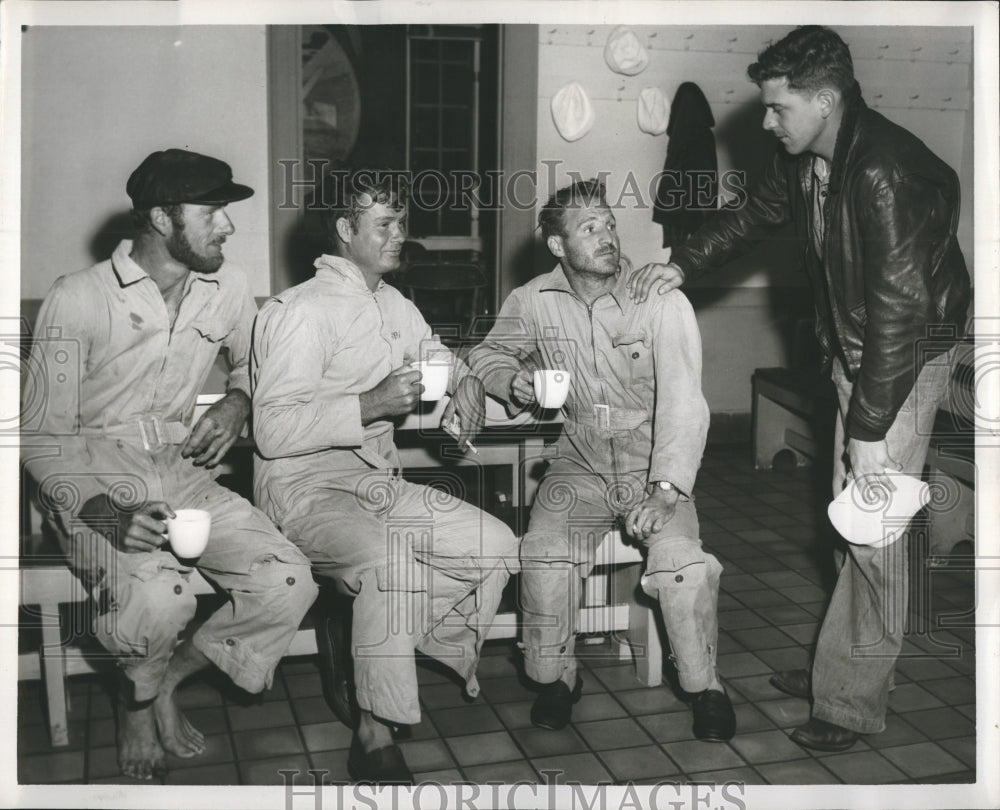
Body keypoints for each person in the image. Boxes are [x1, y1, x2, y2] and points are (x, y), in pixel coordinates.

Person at [628, 26, 971, 751]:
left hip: (902, 358)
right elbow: (755, 215)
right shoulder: (809, 159)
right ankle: (842, 666)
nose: (765, 122)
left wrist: (870, 431)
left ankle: (849, 700)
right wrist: (684, 262)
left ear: (825, 100)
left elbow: (901, 314)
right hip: (863, 349)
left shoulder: (886, 172)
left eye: (777, 107)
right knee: (851, 521)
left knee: (874, 533)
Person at [20, 149, 319, 779]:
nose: (228, 226)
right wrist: (102, 513)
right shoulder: (79, 298)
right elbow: (41, 437)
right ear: (161, 218)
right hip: (95, 477)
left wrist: (238, 400)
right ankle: (136, 703)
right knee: (160, 598)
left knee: (288, 580)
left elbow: (255, 364)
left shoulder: (228, 286)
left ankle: (163, 681)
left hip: (183, 470)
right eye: (212, 212)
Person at [250, 168, 519, 783]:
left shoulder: (393, 304)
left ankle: (366, 646)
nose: (401, 234)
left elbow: (439, 358)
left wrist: (468, 380)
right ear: (345, 230)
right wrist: (369, 405)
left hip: (377, 483)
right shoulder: (301, 311)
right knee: (391, 569)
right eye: (386, 223)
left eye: (402, 221)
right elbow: (272, 432)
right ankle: (374, 727)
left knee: (497, 546)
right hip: (303, 490)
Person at [467, 179, 736, 742]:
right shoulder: (533, 299)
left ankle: (705, 685)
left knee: (681, 566)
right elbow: (488, 353)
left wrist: (665, 490)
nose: (607, 235)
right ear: (558, 245)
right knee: (543, 556)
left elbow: (685, 403)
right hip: (578, 462)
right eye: (589, 228)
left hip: (650, 462)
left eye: (609, 223)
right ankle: (558, 676)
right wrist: (509, 378)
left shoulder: (659, 299)